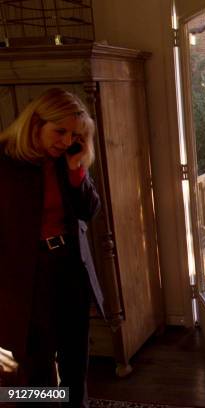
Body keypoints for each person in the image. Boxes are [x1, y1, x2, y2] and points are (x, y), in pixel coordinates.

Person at [0, 88, 103, 407]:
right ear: (35, 124)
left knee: (75, 358)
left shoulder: (65, 161)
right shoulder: (6, 162)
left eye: (74, 134)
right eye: (59, 131)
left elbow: (89, 210)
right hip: (26, 276)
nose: (66, 140)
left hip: (69, 266)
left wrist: (77, 170)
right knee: (35, 364)